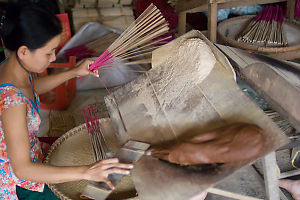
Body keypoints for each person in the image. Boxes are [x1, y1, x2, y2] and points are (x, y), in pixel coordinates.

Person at [0, 3, 133, 200]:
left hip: (29, 150)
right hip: (18, 183)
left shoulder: (11, 69)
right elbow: (23, 170)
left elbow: (30, 89)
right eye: (48, 53)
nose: (53, 58)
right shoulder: (12, 102)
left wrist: (74, 72)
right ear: (24, 52)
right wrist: (86, 172)